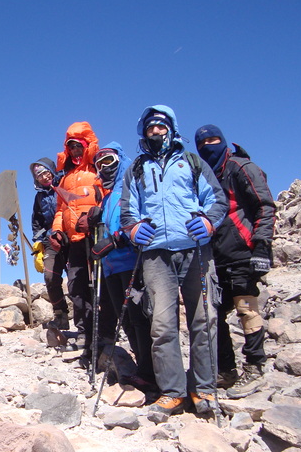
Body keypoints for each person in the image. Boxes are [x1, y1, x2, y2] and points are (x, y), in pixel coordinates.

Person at [120, 106, 227, 419]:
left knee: (204, 321)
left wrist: (209, 223)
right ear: (144, 131)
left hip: (196, 249)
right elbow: (128, 210)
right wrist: (135, 228)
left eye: (162, 125)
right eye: (151, 126)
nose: (156, 130)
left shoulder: (192, 161)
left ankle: (204, 390)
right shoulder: (136, 168)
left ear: (172, 128)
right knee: (163, 325)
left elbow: (217, 200)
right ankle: (173, 394)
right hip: (155, 253)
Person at [195, 124, 275, 398]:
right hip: (216, 257)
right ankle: (226, 370)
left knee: (246, 308)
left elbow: (264, 205)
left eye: (214, 140)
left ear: (224, 140)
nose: (208, 146)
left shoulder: (241, 167)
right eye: (202, 143)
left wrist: (262, 246)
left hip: (245, 250)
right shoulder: (203, 176)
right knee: (214, 315)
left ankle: (256, 367)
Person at [90, 143, 155, 394]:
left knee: (139, 318)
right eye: (99, 164)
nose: (104, 168)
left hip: (131, 261)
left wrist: (119, 239)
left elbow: (144, 217)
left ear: (120, 159)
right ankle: (142, 370)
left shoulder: (132, 185)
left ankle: (151, 372)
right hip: (111, 266)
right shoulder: (106, 196)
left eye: (108, 160)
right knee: (125, 319)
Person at [51, 122, 115, 359]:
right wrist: (57, 231)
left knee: (101, 285)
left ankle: (105, 331)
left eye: (79, 147)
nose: (75, 151)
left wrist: (95, 219)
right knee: (77, 287)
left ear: (87, 147)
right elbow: (60, 209)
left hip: (97, 237)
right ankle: (84, 332)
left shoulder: (98, 172)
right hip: (75, 240)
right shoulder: (65, 178)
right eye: (71, 147)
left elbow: (108, 201)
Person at [29, 157, 69, 330]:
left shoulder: (65, 186)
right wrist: (38, 242)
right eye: (39, 176)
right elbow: (37, 222)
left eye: (46, 173)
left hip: (71, 237)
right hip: (50, 240)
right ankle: (61, 315)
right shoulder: (39, 198)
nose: (44, 177)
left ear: (52, 171)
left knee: (78, 279)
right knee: (50, 277)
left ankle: (89, 317)